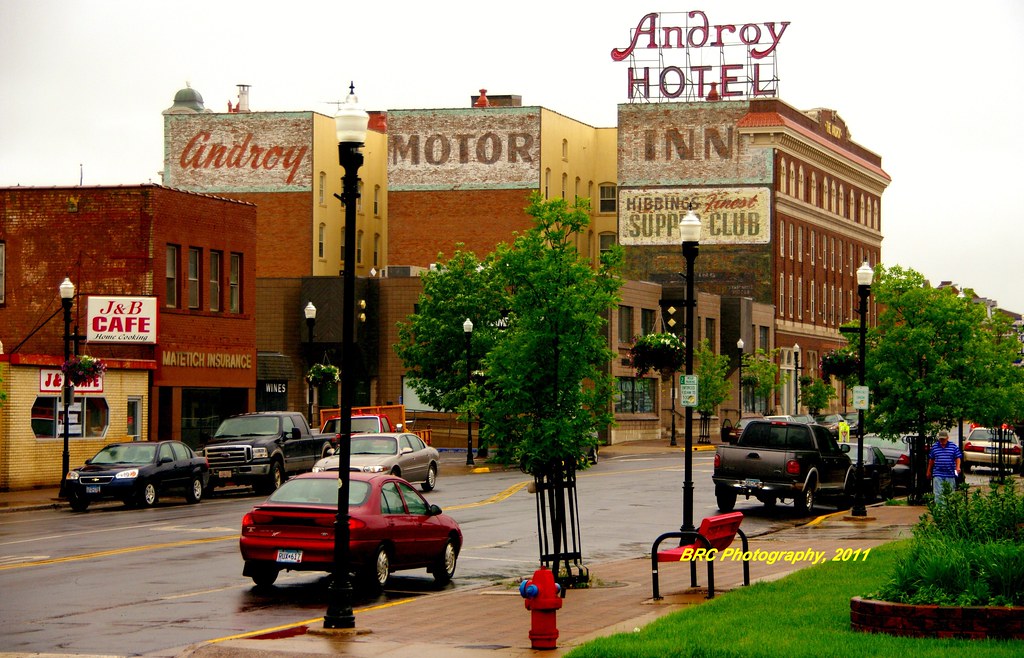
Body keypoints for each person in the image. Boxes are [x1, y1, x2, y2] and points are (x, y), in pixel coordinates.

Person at [926, 429, 962, 502]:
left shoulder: (953, 447)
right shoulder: (935, 447)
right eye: (941, 439)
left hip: (950, 473)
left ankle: (948, 507)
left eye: (944, 439)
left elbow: (958, 457)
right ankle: (939, 507)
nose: (942, 441)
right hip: (938, 473)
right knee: (938, 493)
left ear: (947, 438)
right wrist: (928, 471)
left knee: (950, 493)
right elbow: (931, 459)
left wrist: (958, 467)